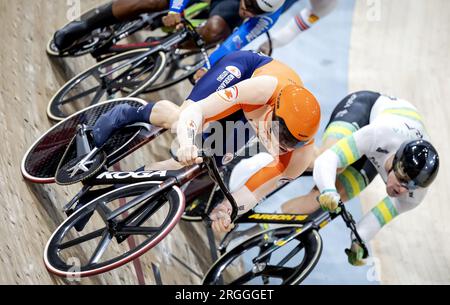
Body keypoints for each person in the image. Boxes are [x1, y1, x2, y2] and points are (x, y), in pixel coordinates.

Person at [92, 50, 321, 232]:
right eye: (278, 131)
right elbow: (198, 112)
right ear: (273, 111)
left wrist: (226, 210)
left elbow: (255, 192)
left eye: (289, 143)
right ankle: (128, 112)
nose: (279, 142)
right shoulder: (262, 88)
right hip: (245, 73)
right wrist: (187, 142)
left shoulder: (299, 158)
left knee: (198, 164)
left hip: (252, 115)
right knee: (184, 119)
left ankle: (115, 186)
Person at [278, 91, 439, 266]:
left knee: (320, 201)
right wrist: (328, 189)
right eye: (402, 179)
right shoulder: (380, 134)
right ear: (395, 161)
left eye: (410, 186)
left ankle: (254, 232)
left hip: (380, 145)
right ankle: (270, 155)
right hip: (365, 110)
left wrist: (358, 241)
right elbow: (328, 160)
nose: (401, 189)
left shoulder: (416, 193)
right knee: (331, 163)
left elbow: (378, 218)